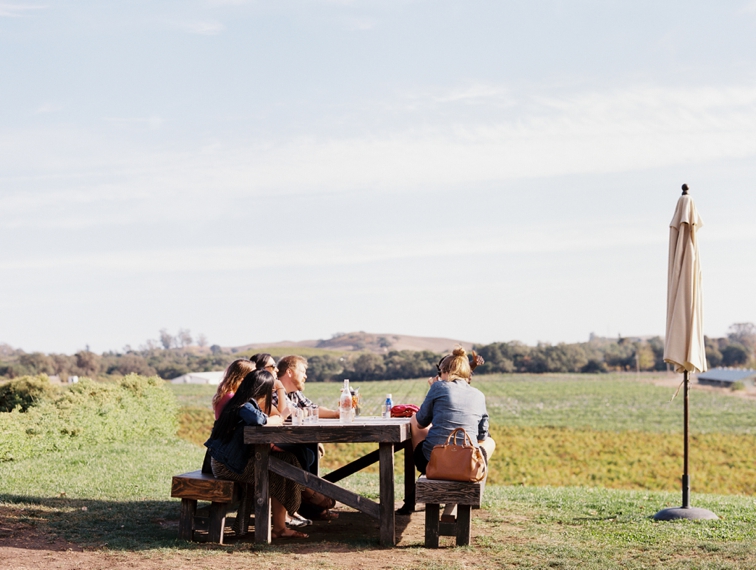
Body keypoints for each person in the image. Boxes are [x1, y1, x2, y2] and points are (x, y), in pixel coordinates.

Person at [205, 369, 308, 539]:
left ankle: (280, 527)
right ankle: (278, 527)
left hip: (237, 460)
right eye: (271, 391)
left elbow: (263, 419)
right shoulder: (243, 405)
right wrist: (282, 417)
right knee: (279, 472)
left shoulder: (247, 403)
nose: (272, 394)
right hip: (227, 466)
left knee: (288, 460)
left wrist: (277, 417)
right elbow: (258, 420)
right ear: (262, 390)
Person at [410, 347, 496, 521]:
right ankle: (459, 501)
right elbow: (482, 435)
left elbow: (421, 422)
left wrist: (434, 390)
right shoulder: (479, 395)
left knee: (414, 421)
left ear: (445, 372)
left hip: (433, 460)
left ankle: (425, 472)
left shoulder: (438, 386)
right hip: (466, 463)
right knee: (490, 442)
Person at [273, 355, 339, 520]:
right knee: (304, 451)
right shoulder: (275, 393)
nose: (305, 376)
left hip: (292, 440)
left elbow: (312, 409)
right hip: (272, 445)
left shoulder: (294, 394)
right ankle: (309, 500)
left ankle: (309, 505)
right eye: (302, 371)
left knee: (310, 448)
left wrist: (336, 413)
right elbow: (290, 416)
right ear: (289, 372)